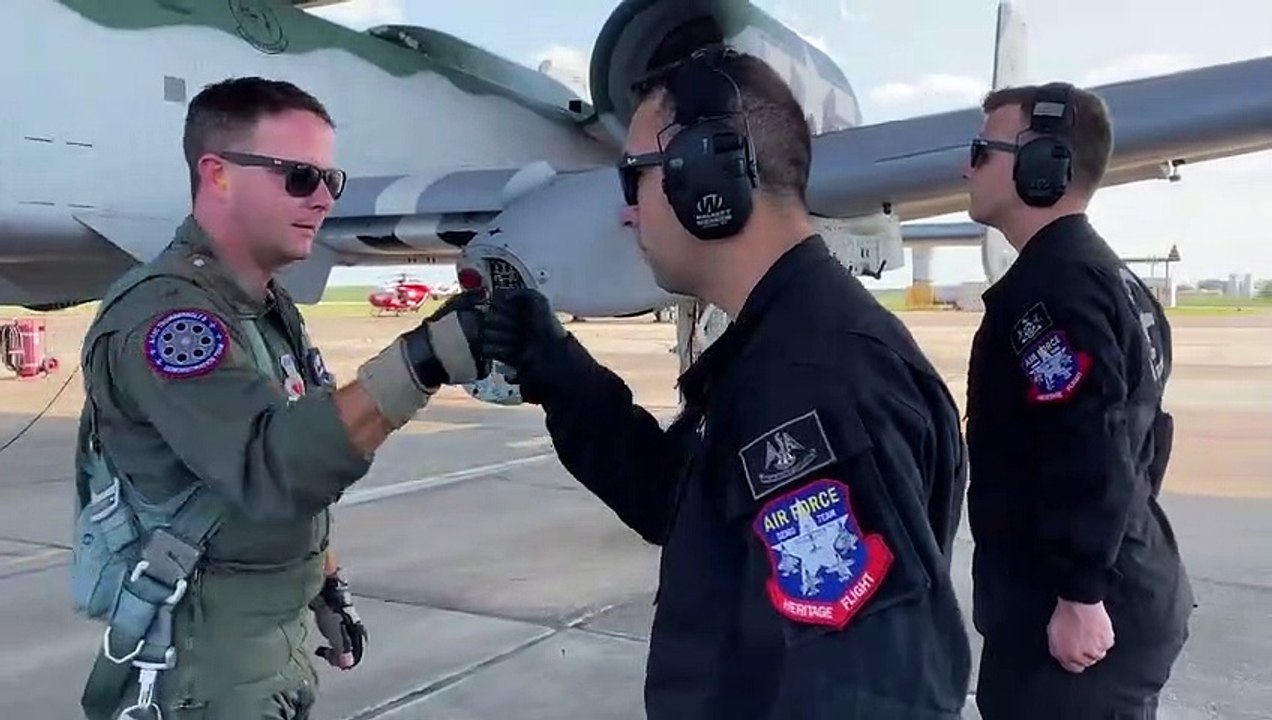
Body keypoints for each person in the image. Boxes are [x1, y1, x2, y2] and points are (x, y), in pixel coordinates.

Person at [480, 46, 971, 719]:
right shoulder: (773, 353)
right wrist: (561, 372)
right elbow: (674, 499)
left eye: (635, 179)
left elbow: (872, 692)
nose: (627, 213)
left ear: (706, 176)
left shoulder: (814, 384)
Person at [70, 77, 488, 720]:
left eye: (331, 179)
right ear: (218, 175)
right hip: (204, 670)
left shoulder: (264, 306)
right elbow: (275, 469)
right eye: (299, 176)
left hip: (268, 649)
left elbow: (300, 438)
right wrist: (425, 360)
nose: (323, 199)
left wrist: (327, 590)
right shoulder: (167, 318)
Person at [962, 81, 1194, 718]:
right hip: (1127, 587)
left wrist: (1080, 594)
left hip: (1079, 625)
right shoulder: (1109, 278)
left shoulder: (1053, 290)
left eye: (983, 150)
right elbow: (1142, 443)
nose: (967, 166)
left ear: (1044, 166)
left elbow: (1090, 438)